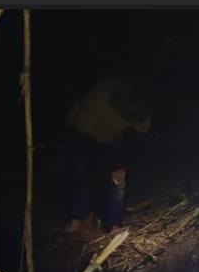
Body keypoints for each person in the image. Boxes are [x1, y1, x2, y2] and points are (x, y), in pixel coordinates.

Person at [64, 77, 152, 234]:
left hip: (112, 139)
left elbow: (136, 140)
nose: (130, 120)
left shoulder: (141, 106)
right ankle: (76, 219)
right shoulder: (97, 101)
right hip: (83, 134)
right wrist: (95, 164)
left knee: (118, 179)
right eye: (128, 116)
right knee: (80, 170)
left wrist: (122, 164)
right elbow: (82, 137)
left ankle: (114, 224)